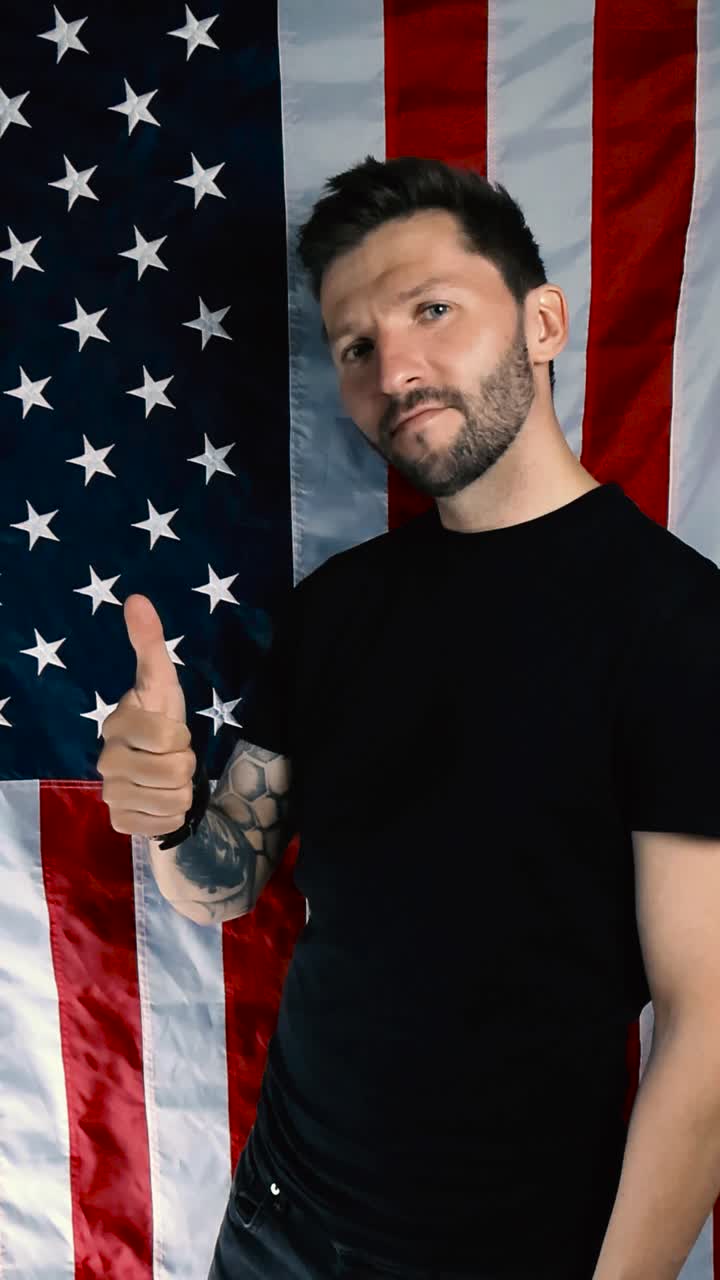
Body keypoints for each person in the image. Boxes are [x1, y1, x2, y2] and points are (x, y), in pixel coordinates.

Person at [97, 157, 720, 1279]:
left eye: (433, 308)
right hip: (278, 1219)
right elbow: (223, 885)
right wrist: (163, 809)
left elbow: (708, 1027)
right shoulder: (342, 605)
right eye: (357, 347)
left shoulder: (679, 622)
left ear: (543, 320)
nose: (399, 369)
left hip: (510, 1246)